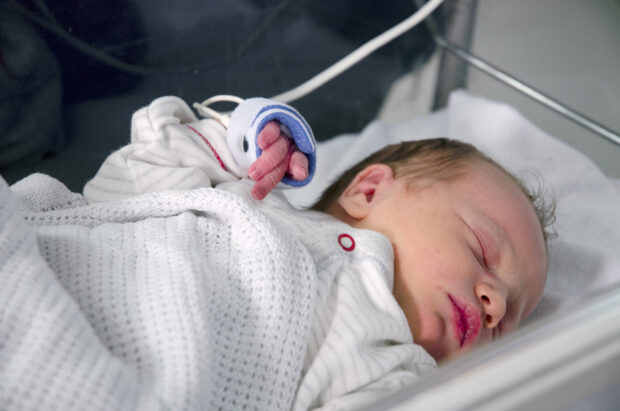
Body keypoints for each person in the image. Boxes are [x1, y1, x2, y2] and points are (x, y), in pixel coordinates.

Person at [1, 96, 553, 411]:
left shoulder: (390, 369)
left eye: (511, 317)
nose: (494, 304)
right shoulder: (254, 197)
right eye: (482, 250)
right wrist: (243, 142)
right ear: (368, 191)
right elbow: (136, 172)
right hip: (41, 258)